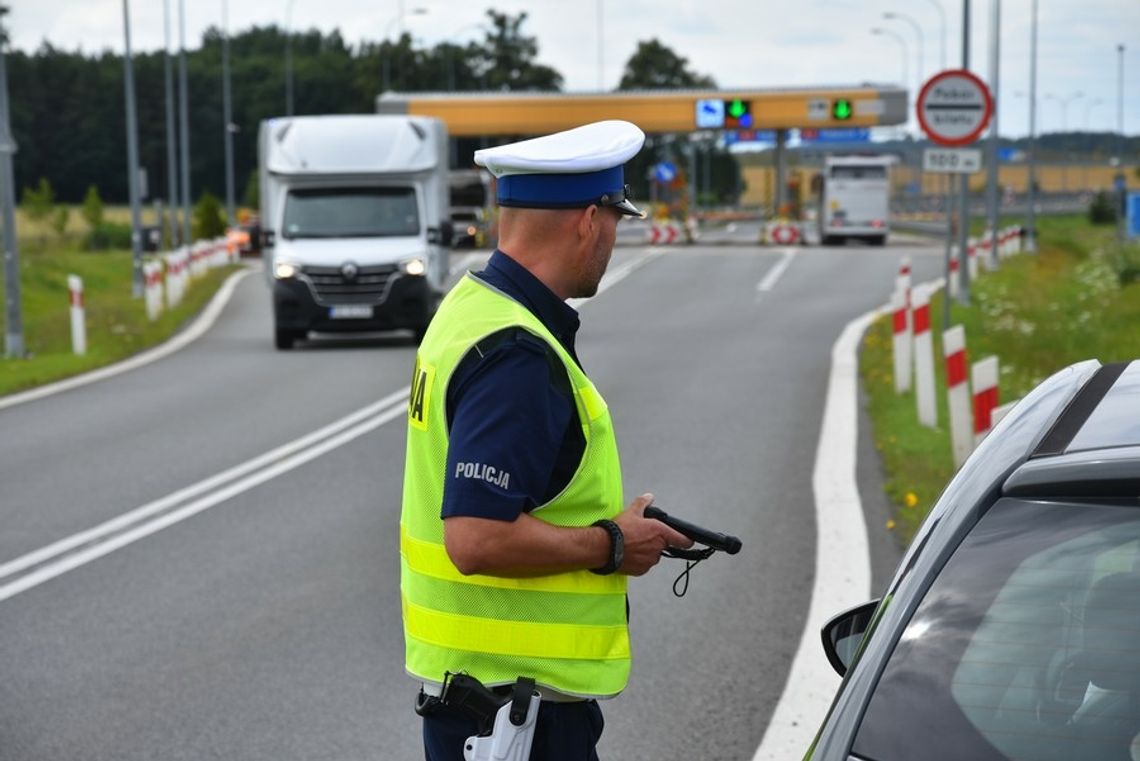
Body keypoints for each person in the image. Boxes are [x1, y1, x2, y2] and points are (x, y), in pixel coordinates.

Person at [399, 120, 692, 761]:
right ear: (589, 220)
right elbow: (476, 537)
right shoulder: (518, 353)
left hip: (481, 702)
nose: (614, 238)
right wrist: (614, 543)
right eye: (616, 219)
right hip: (519, 722)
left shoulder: (469, 308)